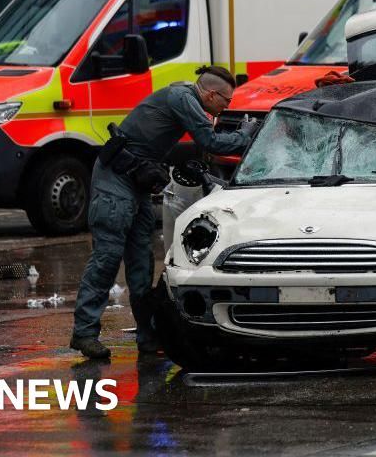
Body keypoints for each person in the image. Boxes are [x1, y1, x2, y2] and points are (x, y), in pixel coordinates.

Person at [70, 65, 259, 359]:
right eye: (227, 101)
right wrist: (246, 136)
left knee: (142, 264)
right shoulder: (184, 99)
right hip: (115, 182)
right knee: (107, 258)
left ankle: (148, 337)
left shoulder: (185, 98)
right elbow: (209, 142)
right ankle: (84, 333)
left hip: (133, 182)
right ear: (210, 94)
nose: (226, 107)